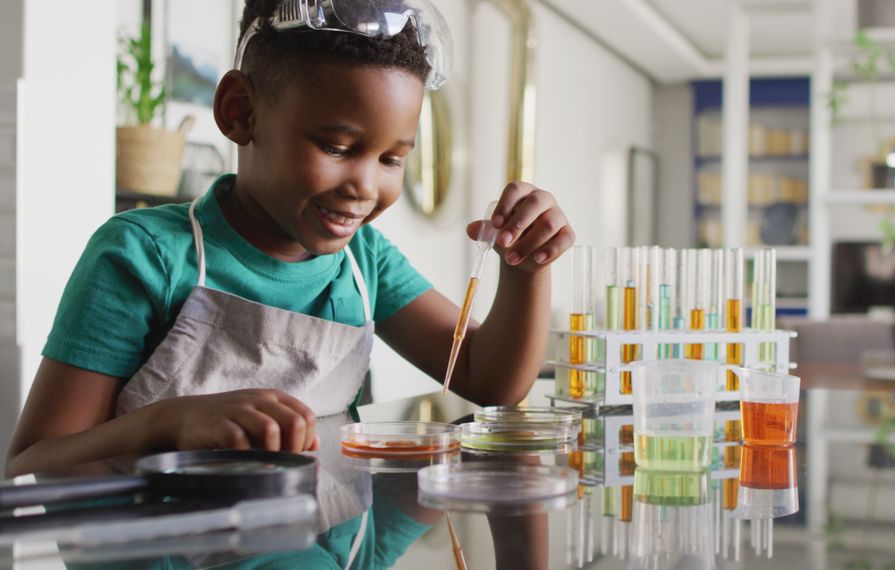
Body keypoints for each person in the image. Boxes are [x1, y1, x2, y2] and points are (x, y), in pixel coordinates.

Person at [5, 0, 574, 478]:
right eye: (336, 146)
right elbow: (31, 464)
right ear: (240, 113)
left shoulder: (363, 261)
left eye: (392, 158)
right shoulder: (142, 255)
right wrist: (169, 422)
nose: (365, 186)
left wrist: (526, 269)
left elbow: (486, 377)